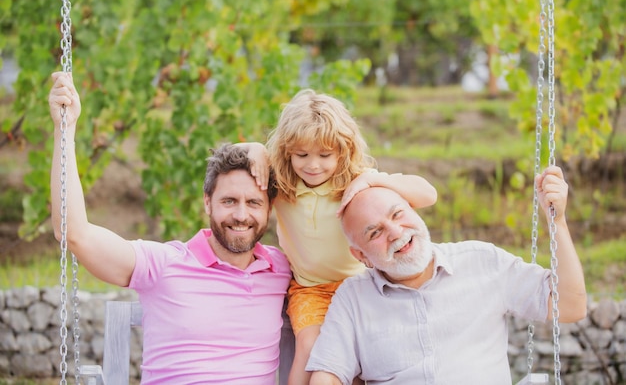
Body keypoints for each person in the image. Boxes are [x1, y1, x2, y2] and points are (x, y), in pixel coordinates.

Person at [48, 72, 292, 385]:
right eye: (229, 201)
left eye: (254, 203)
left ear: (270, 208)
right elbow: (74, 233)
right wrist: (64, 130)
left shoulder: (282, 269)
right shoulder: (164, 263)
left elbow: (321, 174)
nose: (241, 215)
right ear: (207, 202)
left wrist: (259, 147)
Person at [307, 166, 587, 385]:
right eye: (375, 232)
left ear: (413, 210)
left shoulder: (482, 261)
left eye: (397, 214)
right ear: (362, 257)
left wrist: (557, 222)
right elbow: (327, 374)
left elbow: (571, 305)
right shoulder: (353, 298)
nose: (395, 232)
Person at [241, 89, 438, 385]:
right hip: (311, 289)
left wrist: (375, 178)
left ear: (342, 151)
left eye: (324, 155)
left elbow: (428, 194)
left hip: (361, 287)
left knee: (356, 358)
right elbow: (241, 155)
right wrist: (255, 148)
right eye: (302, 155)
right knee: (309, 348)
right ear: (287, 152)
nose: (313, 165)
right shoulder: (282, 185)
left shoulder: (356, 183)